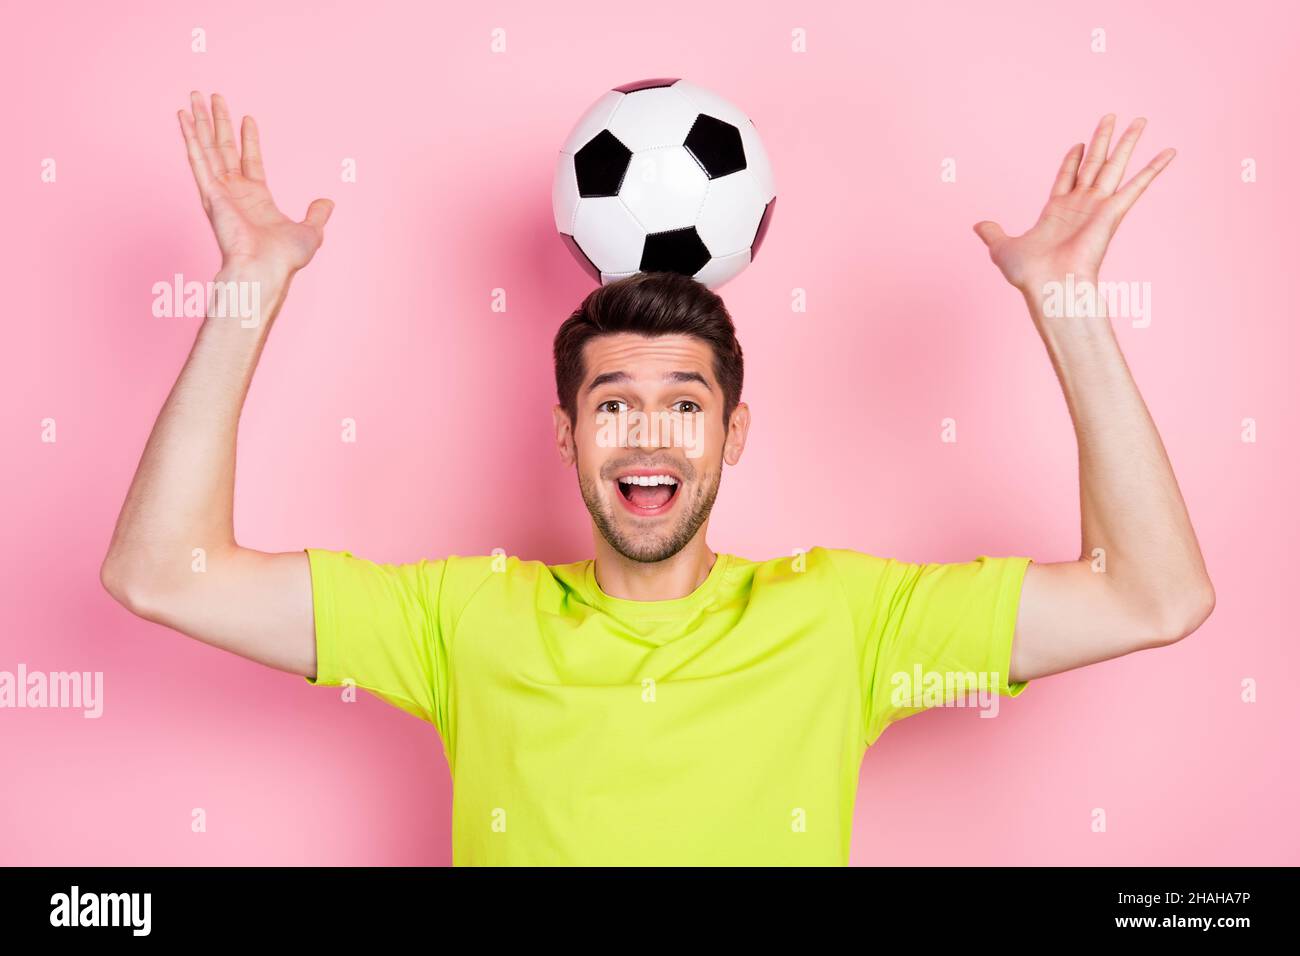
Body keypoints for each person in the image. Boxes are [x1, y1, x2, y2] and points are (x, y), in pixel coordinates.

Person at [101, 92, 1214, 866]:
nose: (649, 434)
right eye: (613, 403)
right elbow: (161, 573)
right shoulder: (463, 617)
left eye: (685, 404)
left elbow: (1152, 595)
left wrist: (1067, 307)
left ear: (732, 435)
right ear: (566, 434)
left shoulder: (843, 620)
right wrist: (247, 291)